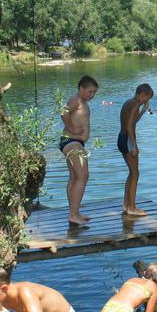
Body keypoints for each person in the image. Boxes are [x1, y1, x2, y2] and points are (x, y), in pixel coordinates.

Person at [60, 75, 99, 226]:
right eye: (90, 92)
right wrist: (72, 128)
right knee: (83, 176)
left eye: (94, 93)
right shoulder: (76, 99)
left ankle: (74, 212)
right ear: (81, 88)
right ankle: (73, 215)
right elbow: (63, 112)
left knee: (75, 177)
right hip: (72, 142)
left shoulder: (80, 101)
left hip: (74, 142)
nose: (92, 95)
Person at [117, 84, 153, 216]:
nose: (146, 101)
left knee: (132, 173)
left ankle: (126, 204)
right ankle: (132, 207)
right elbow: (129, 126)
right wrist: (134, 145)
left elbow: (132, 121)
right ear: (142, 95)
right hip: (127, 139)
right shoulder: (135, 104)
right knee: (135, 174)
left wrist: (144, 110)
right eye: (146, 98)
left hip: (121, 138)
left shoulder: (129, 103)